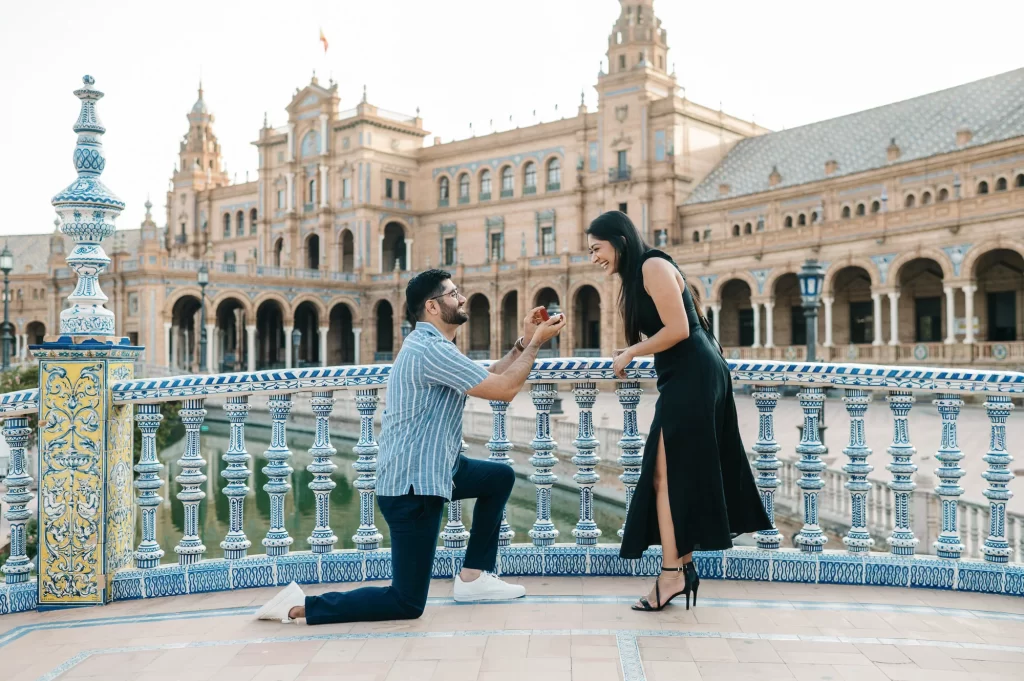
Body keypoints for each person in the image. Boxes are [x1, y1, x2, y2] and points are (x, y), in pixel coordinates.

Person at [256, 269, 566, 624]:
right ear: (433, 307)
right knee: (406, 602)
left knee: (498, 478)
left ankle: (474, 577)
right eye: (453, 294)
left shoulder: (435, 346)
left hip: (439, 470)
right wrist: (539, 343)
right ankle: (300, 607)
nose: (462, 298)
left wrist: (524, 344)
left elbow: (491, 375)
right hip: (413, 488)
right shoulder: (429, 349)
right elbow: (503, 390)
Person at [586, 211, 771, 612]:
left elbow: (680, 329)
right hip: (687, 375)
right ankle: (680, 567)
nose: (594, 258)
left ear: (618, 240)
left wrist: (632, 351)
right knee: (668, 474)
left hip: (694, 375)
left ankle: (673, 572)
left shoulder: (652, 265)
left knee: (662, 473)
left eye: (596, 249)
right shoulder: (638, 275)